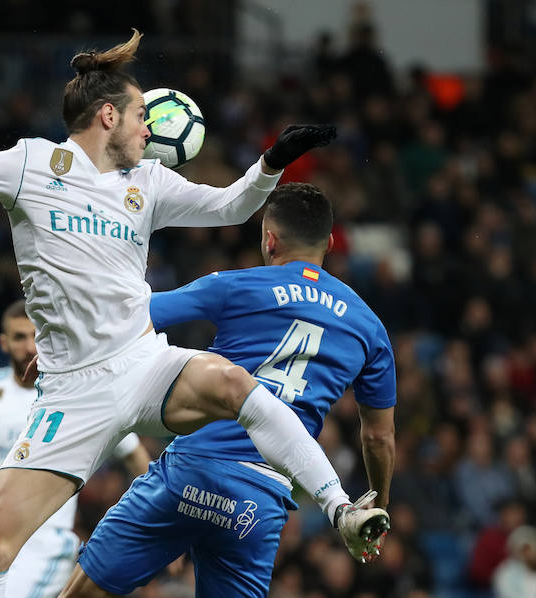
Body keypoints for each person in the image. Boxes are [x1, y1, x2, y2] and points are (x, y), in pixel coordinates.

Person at [0, 30, 387, 598]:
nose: (150, 130)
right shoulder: (26, 165)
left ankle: (340, 508)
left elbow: (228, 208)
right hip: (74, 391)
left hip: (142, 360)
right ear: (108, 115)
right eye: (141, 116)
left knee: (234, 384)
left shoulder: (149, 183)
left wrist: (272, 163)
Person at [60, 182, 397, 597]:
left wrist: (67, 345)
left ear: (269, 239)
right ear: (329, 242)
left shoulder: (235, 285)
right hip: (259, 500)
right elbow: (378, 437)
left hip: (190, 471)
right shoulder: (369, 328)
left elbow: (132, 317)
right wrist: (378, 504)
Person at [0, 300, 150, 597]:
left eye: (35, 336)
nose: (29, 347)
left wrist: (155, 520)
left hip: (45, 540)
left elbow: (134, 453)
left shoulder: (79, 392)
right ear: (3, 343)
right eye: (19, 337)